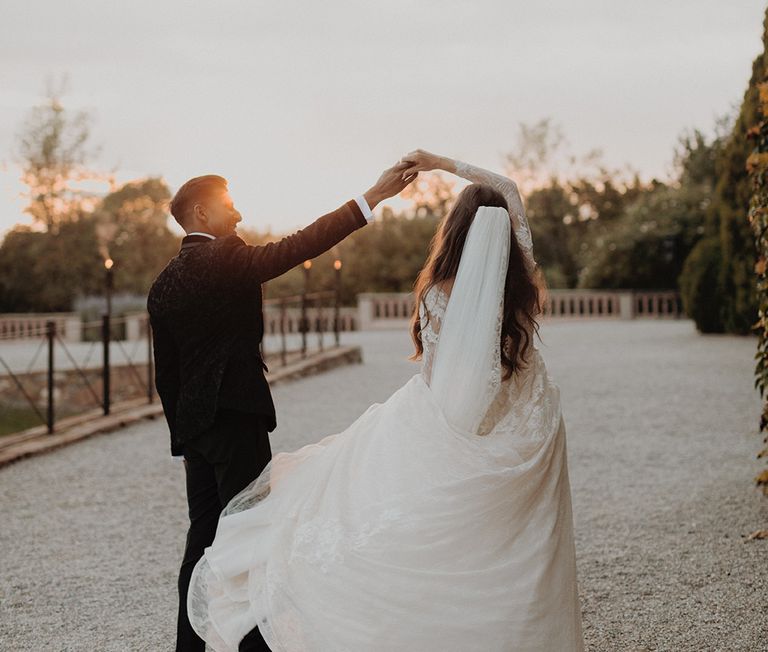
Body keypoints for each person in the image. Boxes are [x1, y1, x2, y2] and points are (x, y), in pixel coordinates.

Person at [187, 150, 586, 651]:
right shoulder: (523, 277)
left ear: (455, 230)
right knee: (526, 540)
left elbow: (447, 378)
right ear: (508, 229)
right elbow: (506, 186)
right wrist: (441, 162)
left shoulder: (439, 293)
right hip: (528, 433)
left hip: (450, 422)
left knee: (397, 521)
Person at [147, 161, 416, 651]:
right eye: (229, 206)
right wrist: (370, 198)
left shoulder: (162, 283)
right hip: (235, 418)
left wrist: (183, 437)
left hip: (197, 431)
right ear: (202, 212)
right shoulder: (226, 258)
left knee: (202, 539)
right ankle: (256, 646)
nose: (239, 213)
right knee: (252, 530)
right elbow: (300, 245)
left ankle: (190, 645)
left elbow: (166, 374)